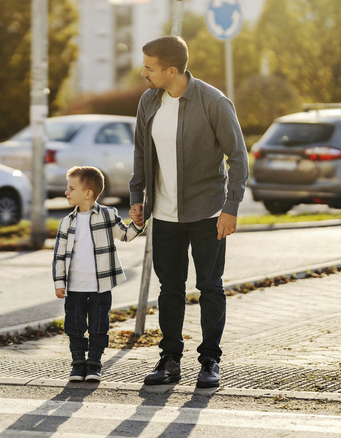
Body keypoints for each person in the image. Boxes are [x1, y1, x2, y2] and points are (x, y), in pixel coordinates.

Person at [129, 35, 249, 388]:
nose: (143, 74)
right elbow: (140, 153)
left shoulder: (213, 102)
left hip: (209, 212)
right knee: (170, 288)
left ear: (171, 70)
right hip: (164, 215)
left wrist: (231, 208)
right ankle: (170, 360)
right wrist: (138, 198)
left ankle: (210, 360)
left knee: (210, 286)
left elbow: (238, 157)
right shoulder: (148, 102)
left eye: (149, 68)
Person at [53, 166, 144, 382]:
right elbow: (58, 256)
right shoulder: (66, 222)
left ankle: (94, 363)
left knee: (98, 326)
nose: (66, 192)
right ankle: (77, 364)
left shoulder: (107, 215)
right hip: (74, 286)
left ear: (88, 193)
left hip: (100, 286)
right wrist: (59, 282)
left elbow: (125, 235)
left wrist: (138, 224)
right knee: (74, 327)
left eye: (71, 188)